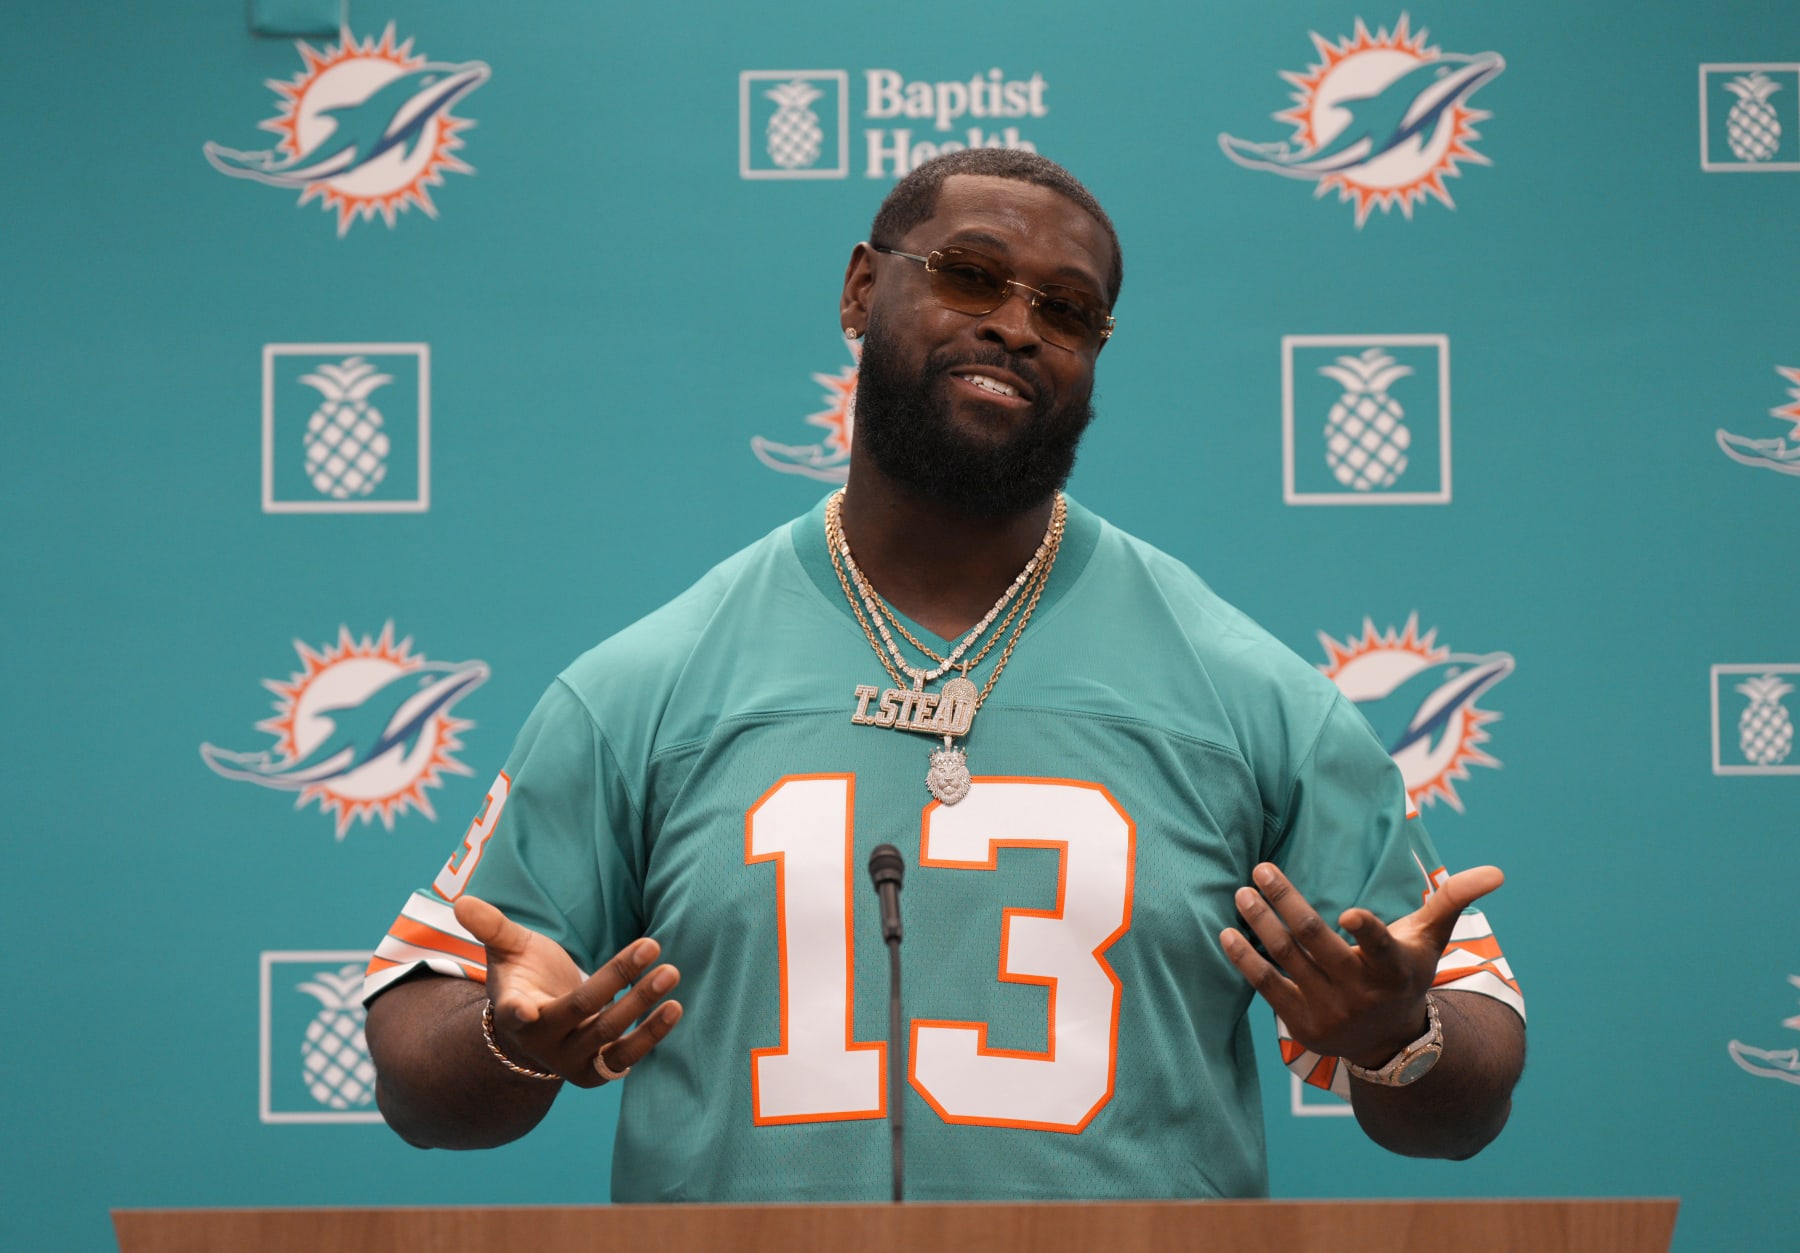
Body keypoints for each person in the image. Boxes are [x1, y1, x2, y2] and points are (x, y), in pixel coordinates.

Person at [363, 149, 1526, 1202]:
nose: (1019, 326)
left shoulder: (1255, 700)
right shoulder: (646, 686)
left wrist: (1397, 1034)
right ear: (864, 289)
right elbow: (419, 1067)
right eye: (972, 277)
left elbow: (1467, 1087)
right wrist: (513, 1039)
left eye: (1068, 310)